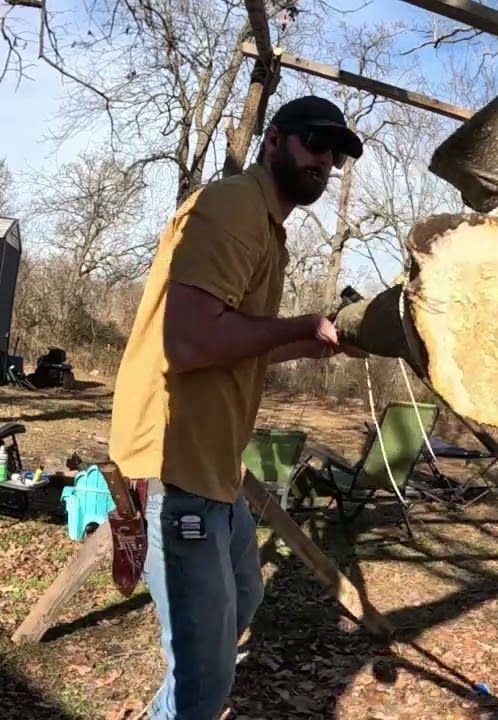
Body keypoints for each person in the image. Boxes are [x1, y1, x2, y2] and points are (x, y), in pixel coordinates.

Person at [108, 95, 366, 720]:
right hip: (175, 467)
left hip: (218, 470)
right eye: (314, 142)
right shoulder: (231, 208)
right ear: (273, 139)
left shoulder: (268, 229)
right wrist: (297, 324)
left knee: (245, 597)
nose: (325, 161)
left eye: (335, 154)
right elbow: (189, 342)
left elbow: (232, 344)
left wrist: (309, 341)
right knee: (204, 682)